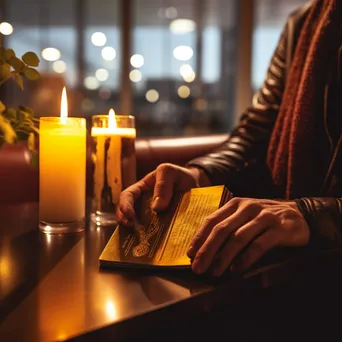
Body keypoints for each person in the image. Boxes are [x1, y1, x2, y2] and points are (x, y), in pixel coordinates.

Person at [117, 0, 342, 277]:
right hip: (288, 267)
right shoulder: (304, 22)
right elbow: (255, 136)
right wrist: (198, 175)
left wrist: (313, 216)